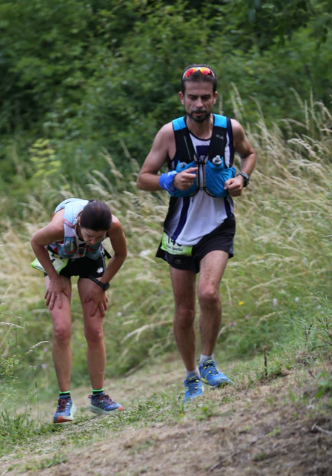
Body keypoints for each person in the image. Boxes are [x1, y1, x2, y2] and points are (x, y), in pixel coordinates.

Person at [137, 64, 257, 403]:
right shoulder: (169, 135)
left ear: (215, 97)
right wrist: (168, 181)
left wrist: (242, 179)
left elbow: (249, 154)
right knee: (185, 309)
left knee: (208, 293)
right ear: (182, 98)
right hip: (179, 230)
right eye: (193, 98)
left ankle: (208, 362)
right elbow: (143, 177)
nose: (199, 104)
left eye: (205, 97)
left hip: (218, 226)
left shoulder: (229, 129)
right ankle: (191, 377)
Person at [30, 198, 128, 422]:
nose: (94, 240)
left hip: (89, 262)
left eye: (99, 237)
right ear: (79, 222)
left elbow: (121, 254)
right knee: (61, 330)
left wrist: (103, 285)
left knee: (94, 331)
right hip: (60, 260)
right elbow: (35, 243)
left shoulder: (114, 225)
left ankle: (99, 397)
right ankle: (64, 401)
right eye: (89, 235)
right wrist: (53, 278)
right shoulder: (59, 226)